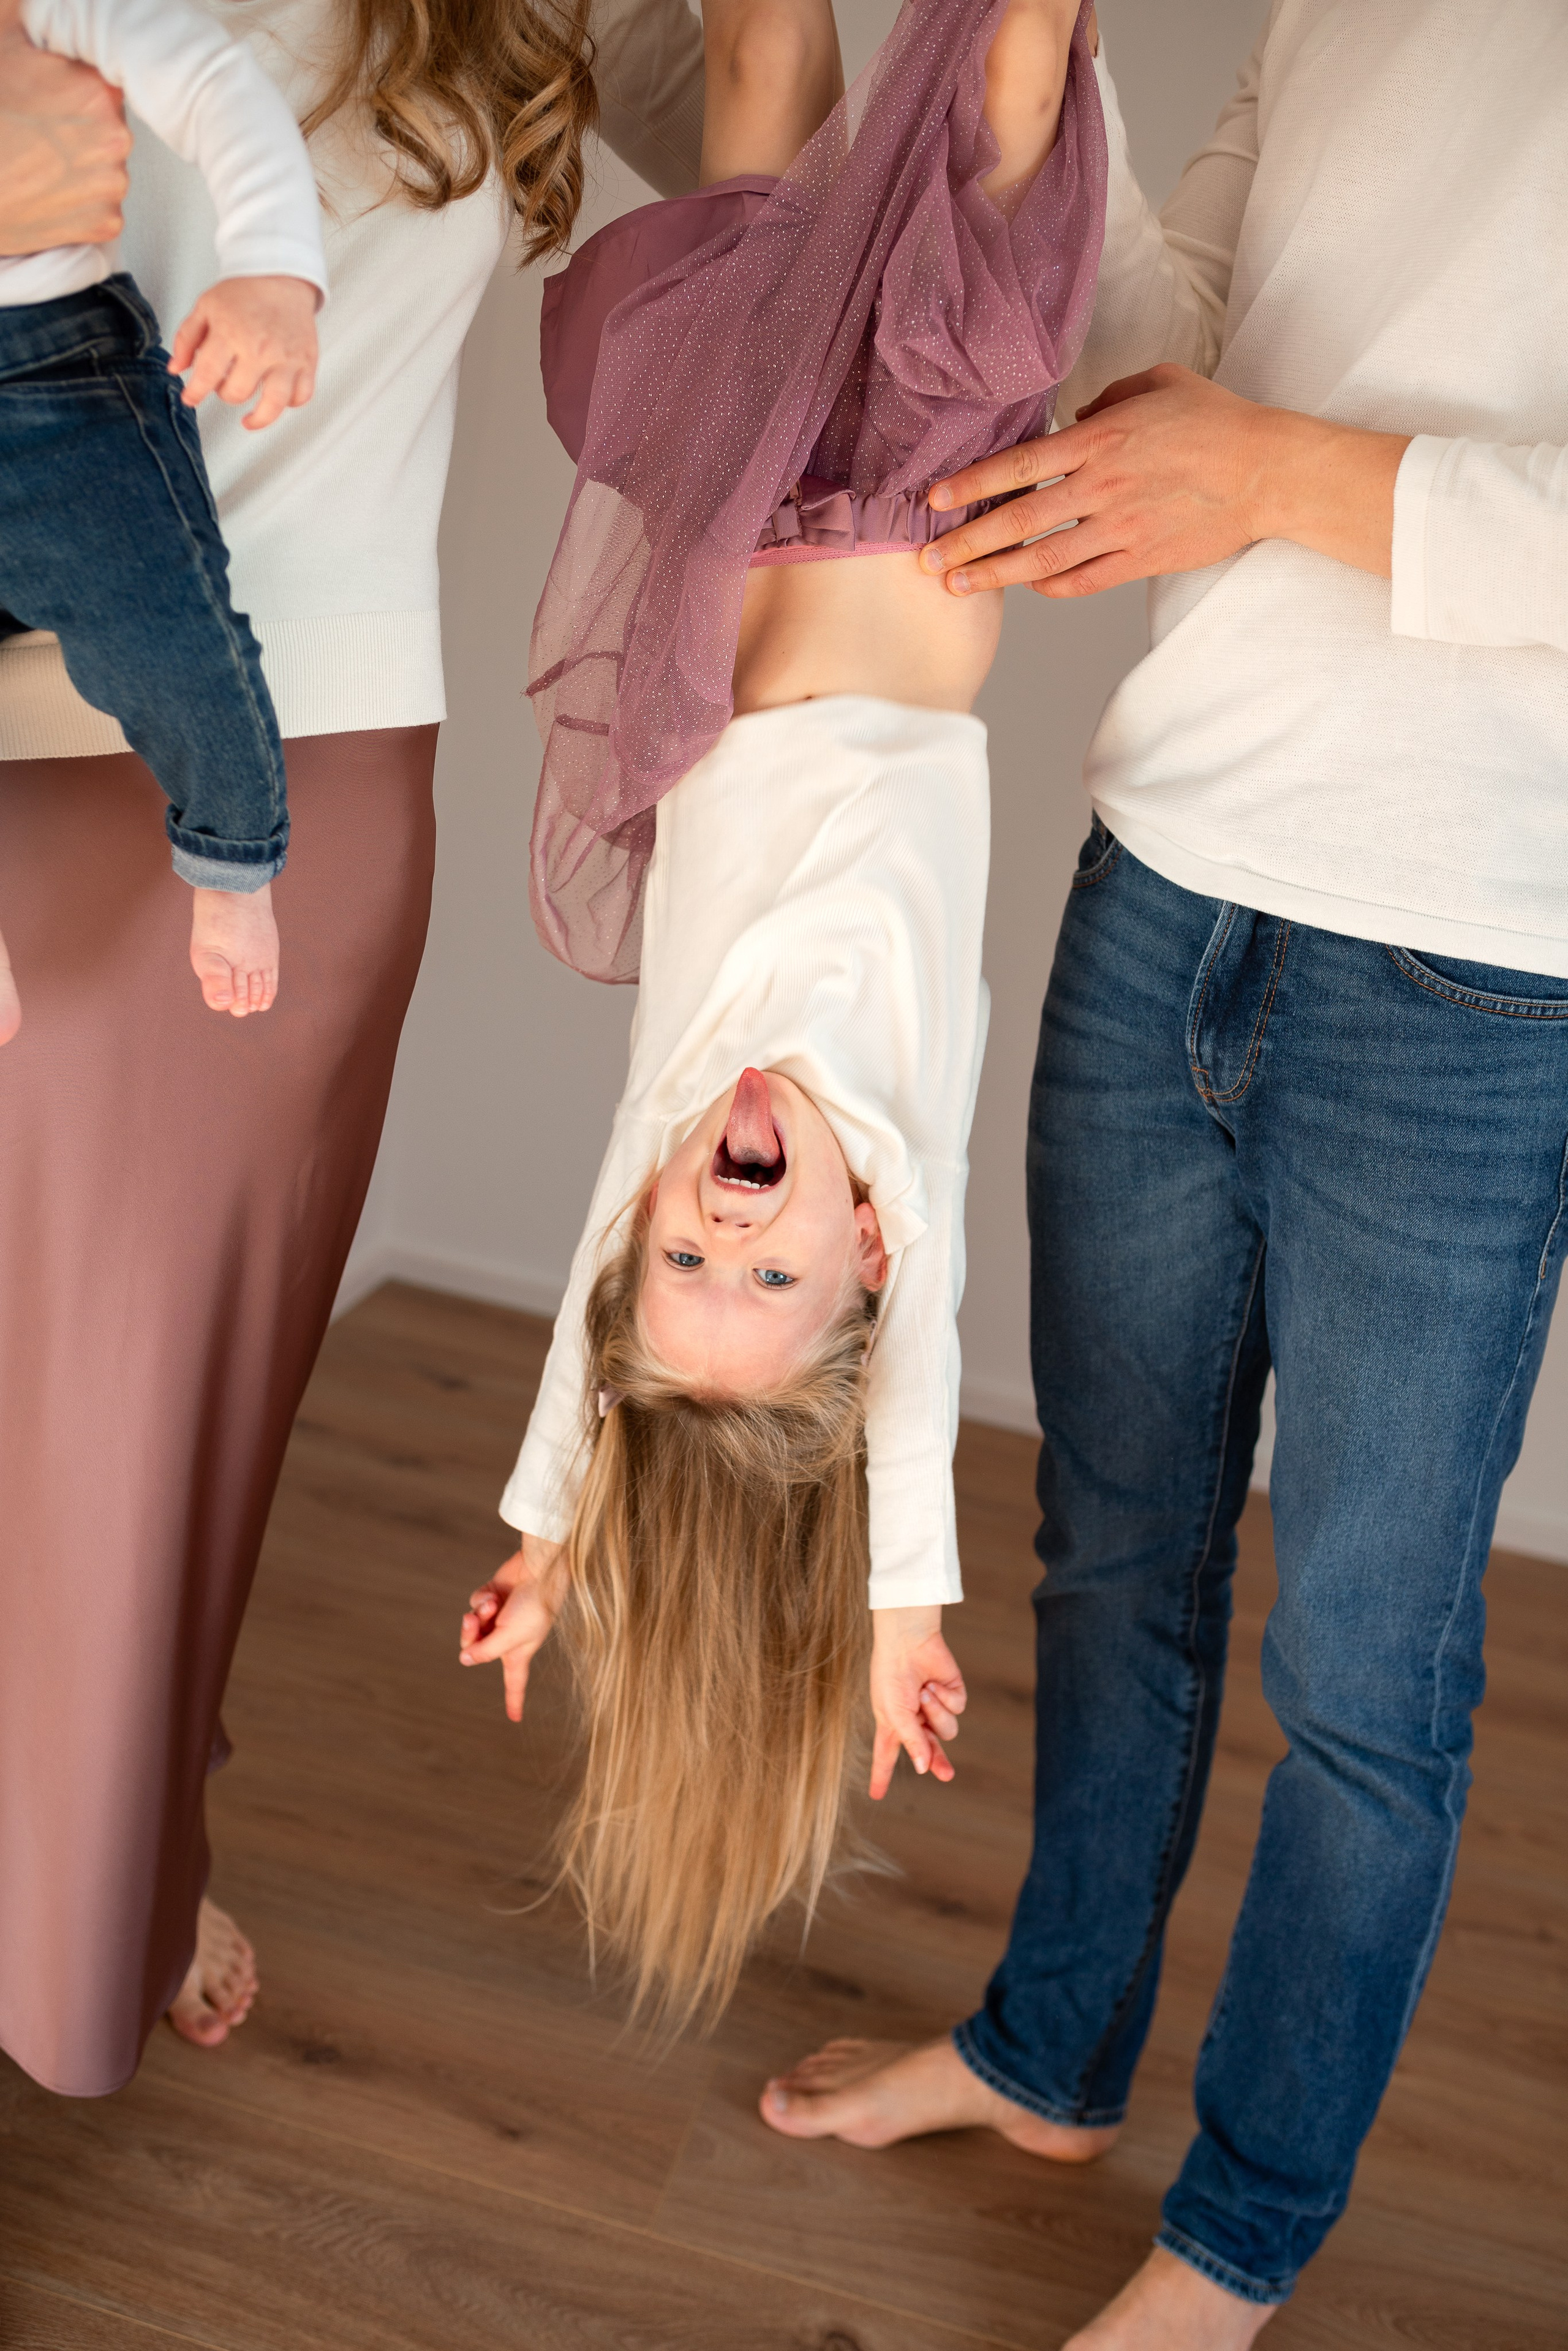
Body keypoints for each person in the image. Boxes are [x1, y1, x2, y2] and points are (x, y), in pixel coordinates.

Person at [758, 5, 1568, 2347]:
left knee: (1365, 1677)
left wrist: (1260, 481)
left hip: (1488, 966)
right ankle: (1048, 2051)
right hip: (1174, 870)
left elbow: (1260, 442)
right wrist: (1032, 149)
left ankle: (1240, 2237)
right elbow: (1177, 301)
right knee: (1113, 1548)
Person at [0, 0, 715, 2099]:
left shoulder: (539, 8)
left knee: (154, 1434)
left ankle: (101, 1882)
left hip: (300, 757)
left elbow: (818, 159)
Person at [458, 0, 1104, 2029]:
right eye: (775, 1251)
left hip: (732, 495)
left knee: (760, 44)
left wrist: (553, 1540)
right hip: (913, 482)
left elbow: (601, 1321)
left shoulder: (674, 1116)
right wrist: (911, 1603)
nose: (721, 1210)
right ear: (874, 1259)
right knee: (997, 246)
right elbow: (902, 1409)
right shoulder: (897, 1152)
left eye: (686, 1243)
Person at [0, 0, 330, 1044]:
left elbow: (212, 84)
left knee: (168, 632)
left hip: (53, 377)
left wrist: (275, 266)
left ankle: (232, 861)